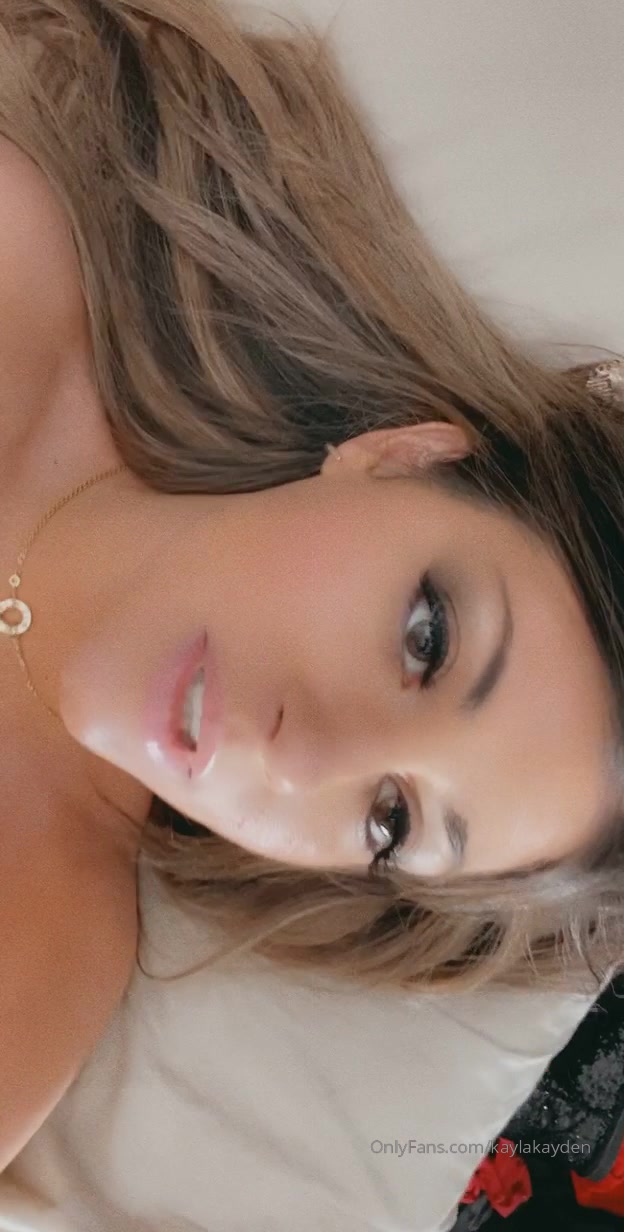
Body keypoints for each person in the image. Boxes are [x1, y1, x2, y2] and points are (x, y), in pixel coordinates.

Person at [0, 0, 622, 1165]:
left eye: (391, 820)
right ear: (400, 454)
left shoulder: (33, 962)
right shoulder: (18, 251)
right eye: (426, 638)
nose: (305, 754)